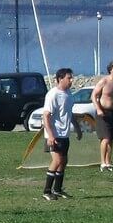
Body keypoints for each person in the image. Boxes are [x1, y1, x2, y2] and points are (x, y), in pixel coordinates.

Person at [42, 68, 75, 200]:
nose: (71, 80)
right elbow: (46, 116)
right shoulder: (53, 95)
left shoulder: (69, 93)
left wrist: (77, 127)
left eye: (71, 78)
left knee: (64, 162)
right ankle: (46, 191)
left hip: (64, 134)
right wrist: (50, 135)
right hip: (54, 135)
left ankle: (57, 190)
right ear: (60, 79)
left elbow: (69, 113)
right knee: (57, 160)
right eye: (69, 78)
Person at [91, 60, 113, 172]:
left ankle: (108, 162)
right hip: (102, 113)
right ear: (110, 70)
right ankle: (102, 163)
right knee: (105, 138)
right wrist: (99, 109)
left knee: (111, 139)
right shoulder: (104, 81)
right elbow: (93, 96)